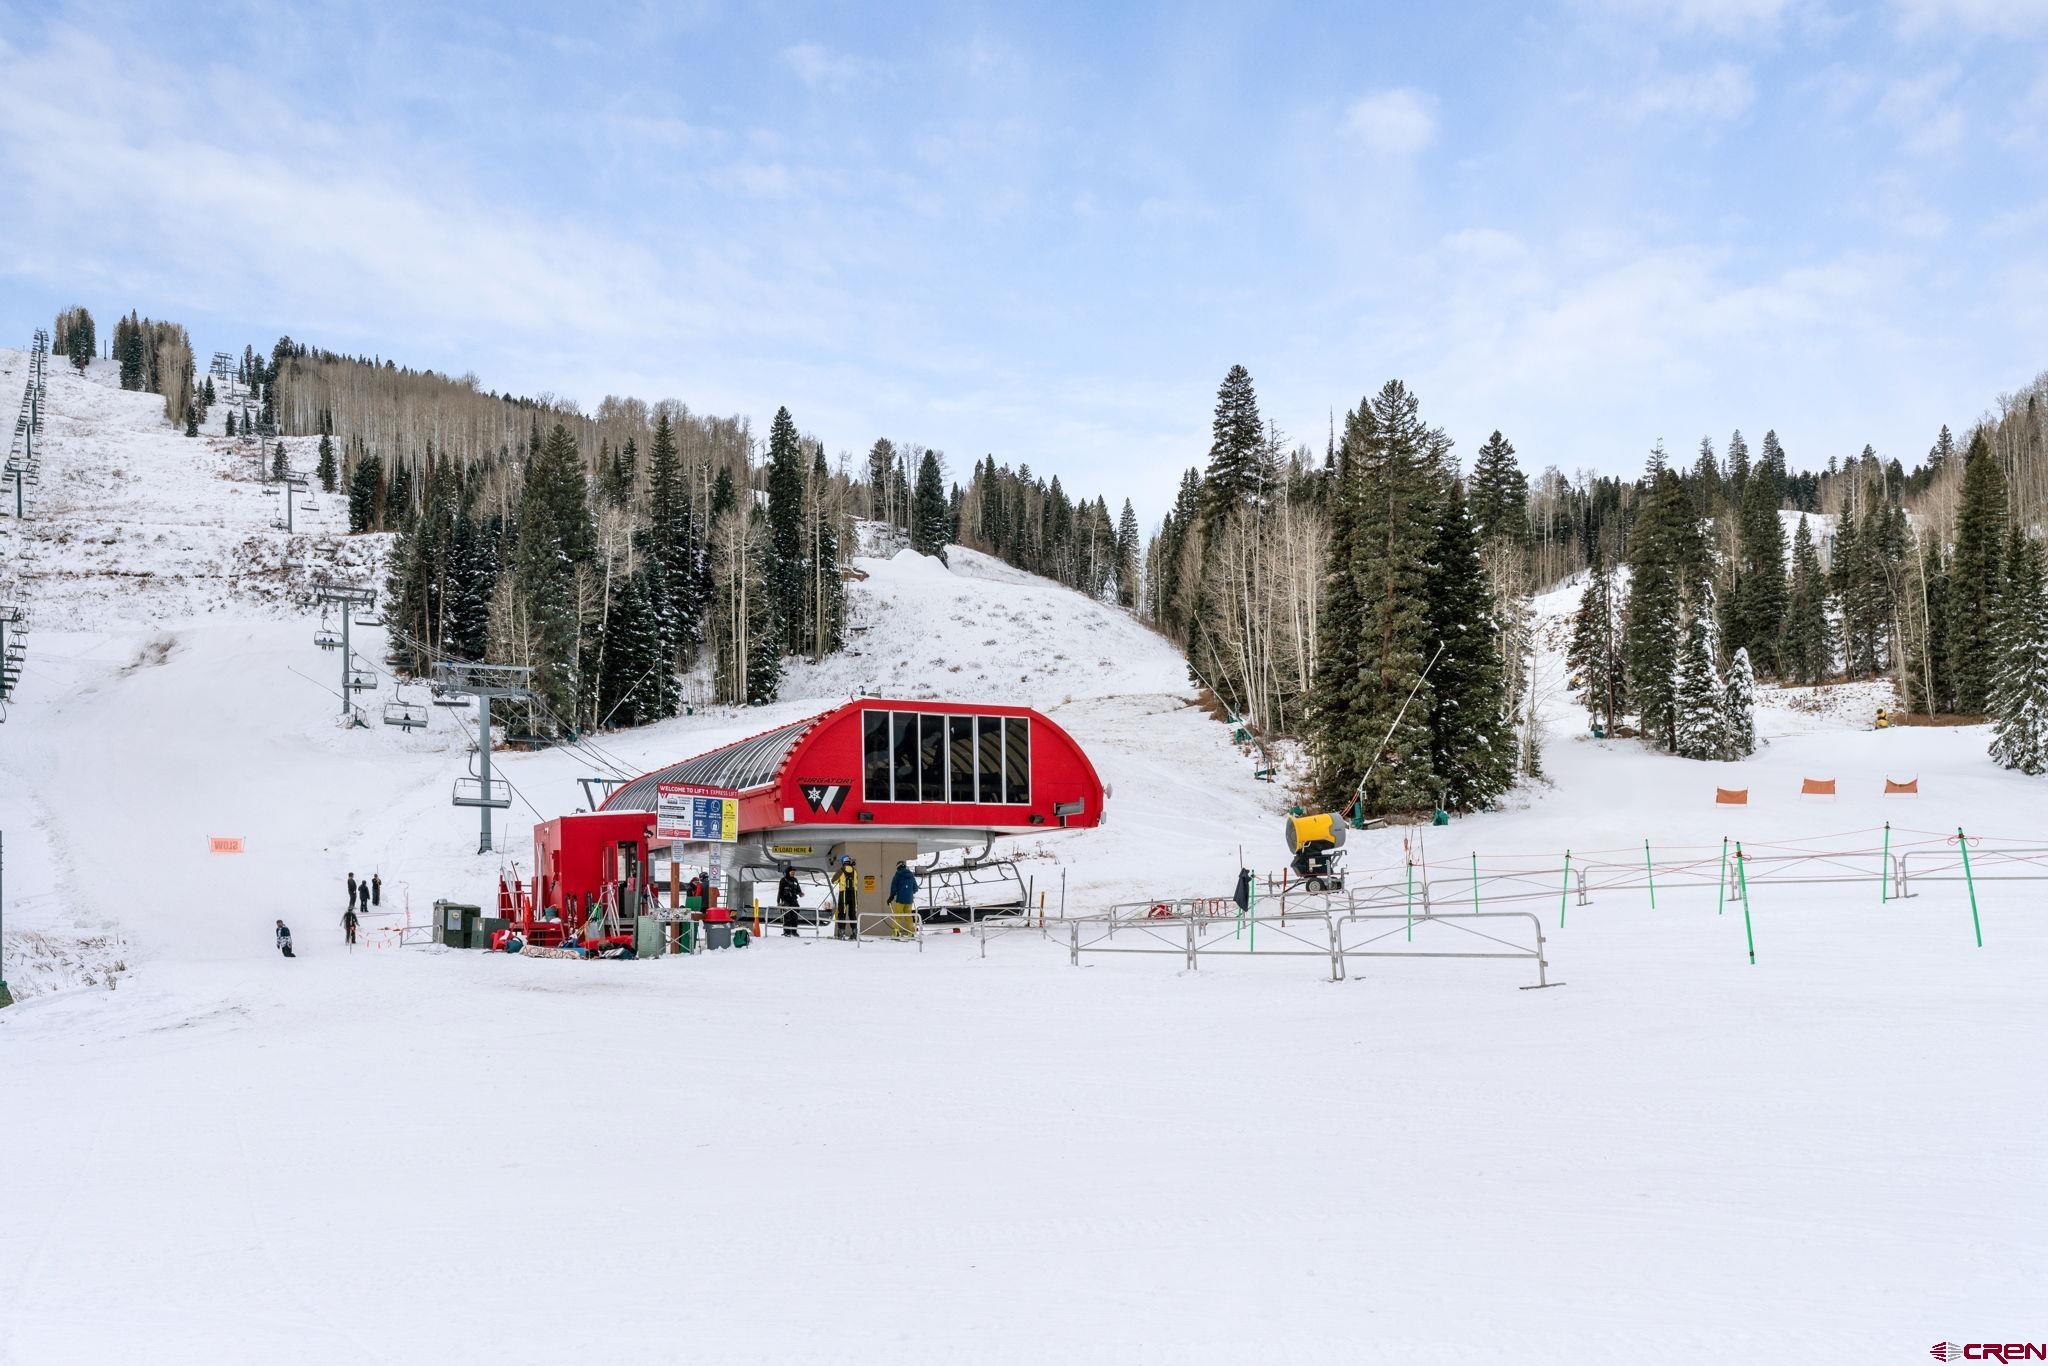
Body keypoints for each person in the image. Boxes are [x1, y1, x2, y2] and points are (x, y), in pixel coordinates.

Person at [887, 860, 918, 939]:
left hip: (900, 900)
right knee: (908, 917)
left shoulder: (897, 875)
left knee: (898, 916)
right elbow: (915, 888)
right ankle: (911, 932)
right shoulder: (911, 875)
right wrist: (909, 893)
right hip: (909, 900)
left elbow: (893, 888)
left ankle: (896, 932)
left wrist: (890, 898)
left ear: (898, 867)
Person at [832, 857, 857, 941]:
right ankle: (854, 933)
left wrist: (840, 880)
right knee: (852, 914)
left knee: (842, 913)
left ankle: (841, 933)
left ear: (843, 862)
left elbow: (833, 881)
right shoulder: (855, 871)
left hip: (844, 893)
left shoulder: (841, 870)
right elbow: (856, 881)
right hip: (853, 894)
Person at [777, 868, 802, 937]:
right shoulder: (783, 880)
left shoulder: (795, 880)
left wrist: (800, 893)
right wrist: (778, 901)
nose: (793, 873)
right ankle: (787, 932)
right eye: (791, 872)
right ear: (788, 872)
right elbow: (780, 891)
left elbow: (798, 890)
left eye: (794, 872)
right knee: (787, 916)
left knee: (795, 916)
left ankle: (794, 932)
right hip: (786, 900)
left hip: (794, 900)